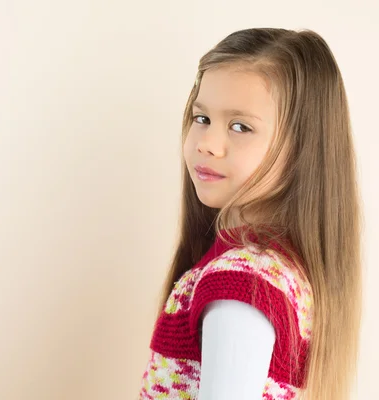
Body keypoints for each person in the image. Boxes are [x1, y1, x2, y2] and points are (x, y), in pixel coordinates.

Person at [138, 28, 362, 400]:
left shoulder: (244, 284)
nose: (207, 144)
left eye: (240, 126)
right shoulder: (275, 273)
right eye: (201, 118)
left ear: (302, 149)